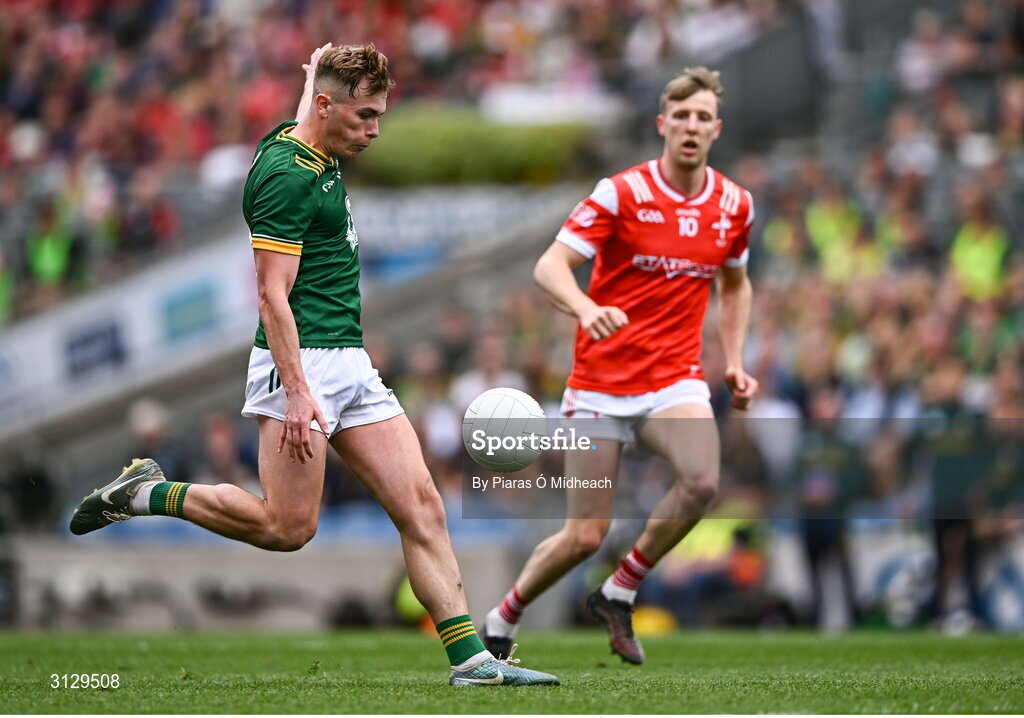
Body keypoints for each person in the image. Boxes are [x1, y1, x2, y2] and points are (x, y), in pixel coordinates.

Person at [69, 43, 557, 688]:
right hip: (300, 364)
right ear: (329, 107)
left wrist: (311, 78)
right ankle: (145, 491)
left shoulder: (312, 141)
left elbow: (308, 114)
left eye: (380, 116)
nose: (375, 130)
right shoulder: (287, 177)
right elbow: (271, 295)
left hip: (350, 361)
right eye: (366, 117)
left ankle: (471, 663)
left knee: (424, 509)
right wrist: (298, 394)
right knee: (287, 526)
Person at [483, 67, 758, 664]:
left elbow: (735, 286)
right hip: (601, 386)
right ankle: (501, 619)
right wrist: (585, 307)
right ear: (663, 125)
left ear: (716, 129)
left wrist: (734, 361)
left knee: (704, 480)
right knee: (585, 535)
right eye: (680, 116)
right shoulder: (621, 193)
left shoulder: (735, 205)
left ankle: (621, 588)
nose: (690, 126)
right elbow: (550, 267)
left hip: (673, 380)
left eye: (702, 117)